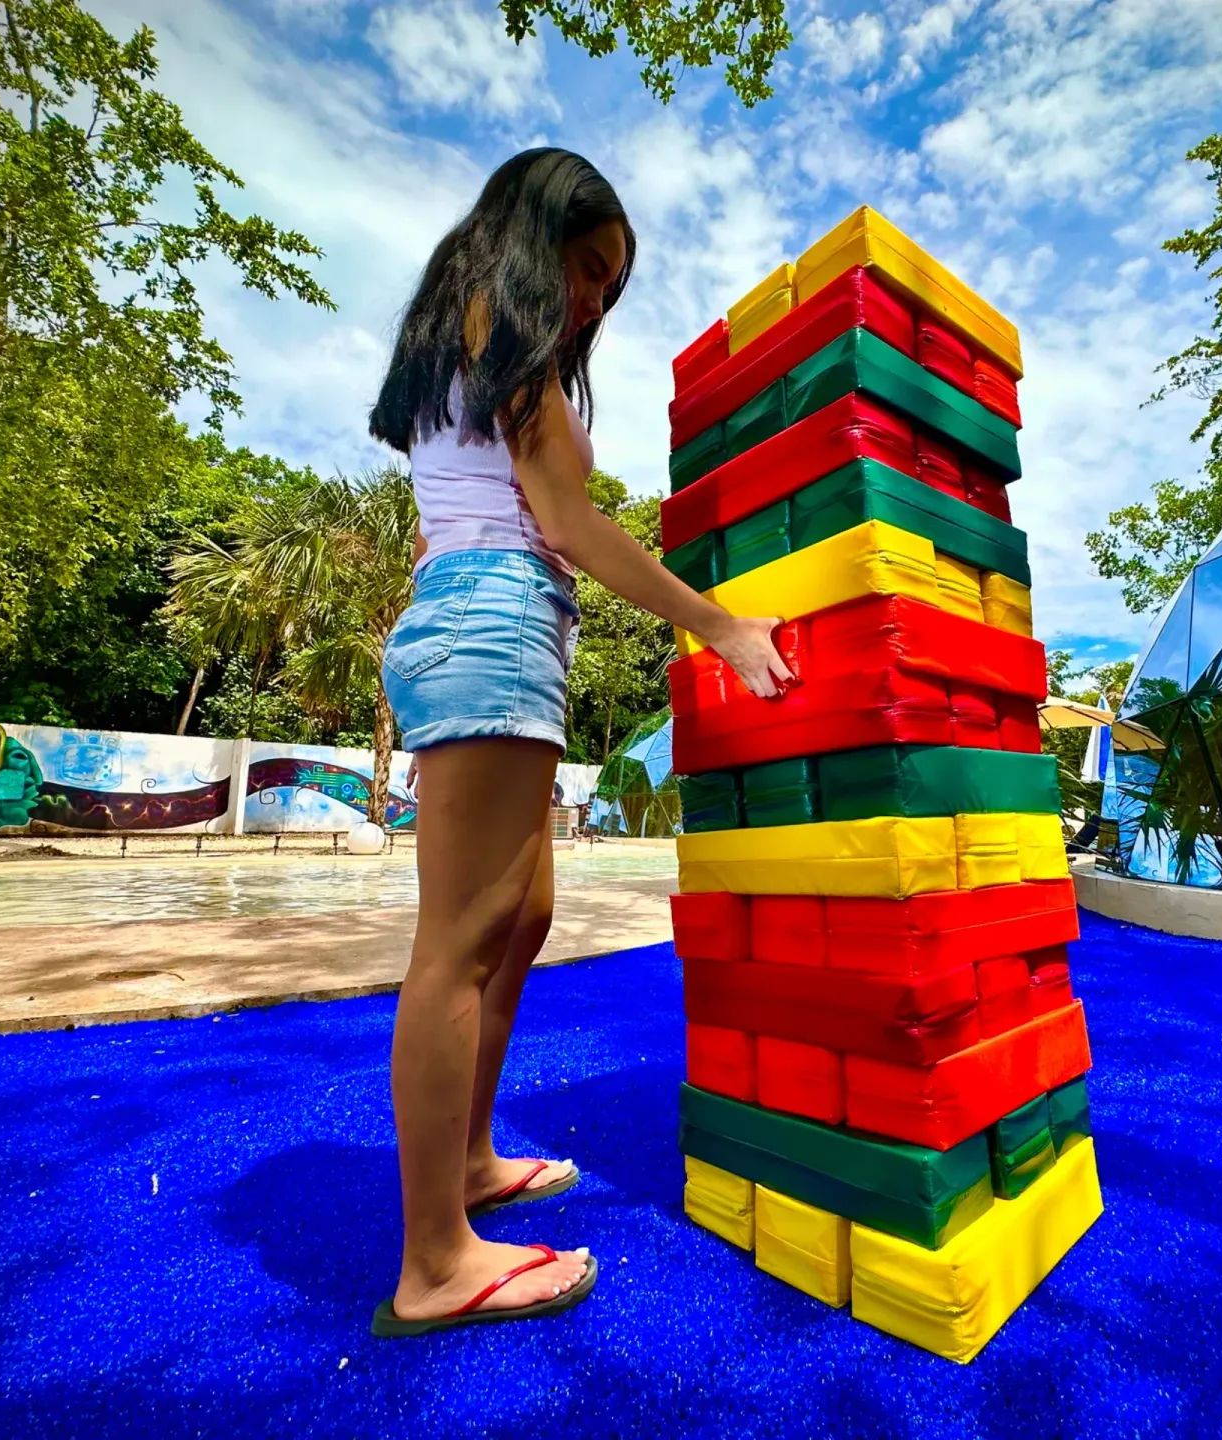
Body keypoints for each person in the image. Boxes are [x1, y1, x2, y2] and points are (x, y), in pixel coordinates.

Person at [365, 148, 791, 1337]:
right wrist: (717, 625)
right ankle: (437, 1260)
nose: (597, 298)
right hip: (495, 621)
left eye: (613, 285)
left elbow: (466, 508)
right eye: (590, 267)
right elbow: (563, 519)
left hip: (491, 617)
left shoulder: (468, 331)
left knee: (526, 917)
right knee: (457, 943)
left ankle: (470, 1159)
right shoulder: (505, 320)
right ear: (537, 226)